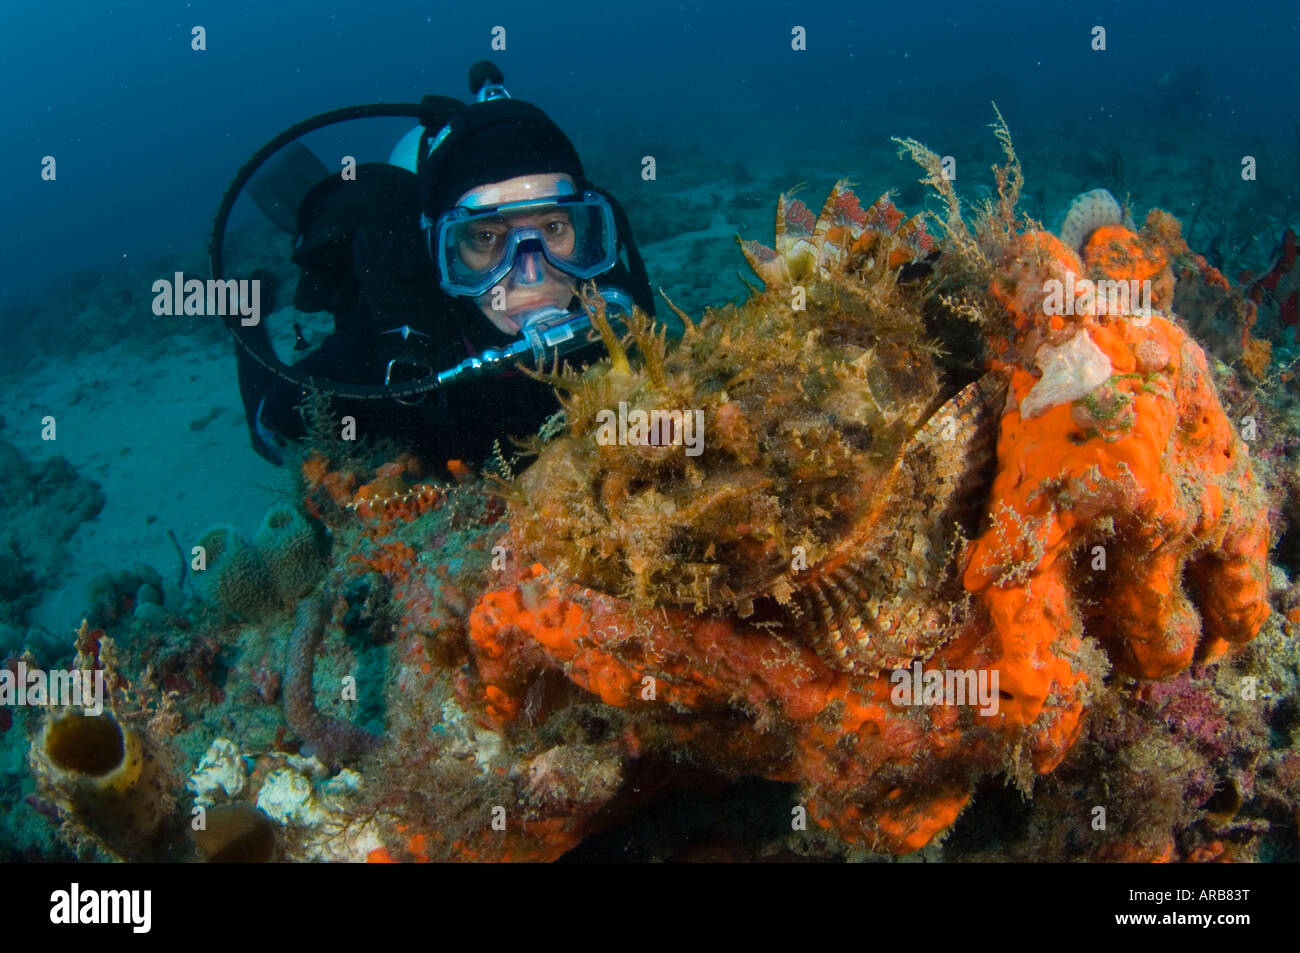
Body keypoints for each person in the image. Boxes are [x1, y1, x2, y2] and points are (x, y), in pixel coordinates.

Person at [233, 63, 654, 471]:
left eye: (555, 226)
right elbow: (272, 426)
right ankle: (241, 311)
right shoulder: (399, 337)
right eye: (485, 237)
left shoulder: (611, 302)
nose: (531, 275)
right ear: (443, 252)